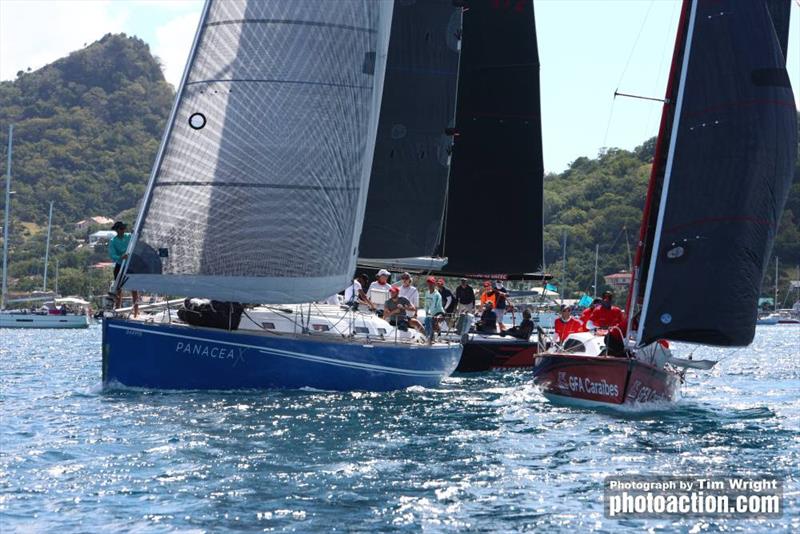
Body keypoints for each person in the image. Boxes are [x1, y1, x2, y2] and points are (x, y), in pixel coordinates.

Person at [109, 221, 139, 317]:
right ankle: (118, 310)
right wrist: (121, 257)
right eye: (120, 229)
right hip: (120, 265)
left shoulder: (129, 236)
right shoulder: (113, 241)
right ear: (117, 230)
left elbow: (136, 239)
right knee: (118, 289)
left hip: (130, 265)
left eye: (123, 229)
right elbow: (112, 255)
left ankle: (136, 311)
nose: (122, 230)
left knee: (134, 289)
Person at [586, 291, 627, 356]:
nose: (607, 301)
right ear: (602, 300)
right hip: (600, 336)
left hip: (614, 337)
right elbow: (588, 325)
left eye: (609, 299)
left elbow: (622, 325)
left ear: (611, 300)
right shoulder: (597, 310)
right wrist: (599, 327)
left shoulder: (617, 311)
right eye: (605, 299)